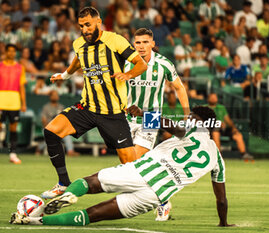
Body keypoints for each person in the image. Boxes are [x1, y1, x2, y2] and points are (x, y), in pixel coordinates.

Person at [10, 105, 234, 228]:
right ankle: (35, 220)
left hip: (142, 171)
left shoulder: (194, 128)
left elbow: (174, 127)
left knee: (90, 183)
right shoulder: (217, 158)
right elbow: (221, 199)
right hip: (155, 195)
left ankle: (68, 193)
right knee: (93, 215)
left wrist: (147, 115)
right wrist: (223, 223)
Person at [40, 7, 147, 199]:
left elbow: (141, 64)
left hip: (113, 113)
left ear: (98, 22)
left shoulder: (116, 41)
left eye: (88, 25)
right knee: (51, 131)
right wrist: (65, 75)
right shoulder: (79, 43)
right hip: (87, 107)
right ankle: (63, 183)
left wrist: (128, 74)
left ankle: (157, 197)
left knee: (131, 167)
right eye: (81, 26)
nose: (85, 30)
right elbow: (79, 60)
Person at [125, 28, 189, 159]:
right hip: (125, 117)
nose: (141, 46)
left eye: (145, 42)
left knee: (135, 159)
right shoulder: (125, 63)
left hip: (151, 117)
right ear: (133, 44)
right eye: (138, 43)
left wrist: (186, 114)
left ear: (152, 44)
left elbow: (179, 87)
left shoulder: (164, 64)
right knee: (128, 162)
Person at [0, 44, 26, 164]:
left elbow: (21, 87)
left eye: (13, 51)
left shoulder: (20, 68)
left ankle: (13, 154)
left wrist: (23, 103)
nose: (11, 53)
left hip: (14, 102)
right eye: (9, 51)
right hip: (1, 100)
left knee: (13, 129)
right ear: (5, 52)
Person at [207, 93, 253, 160]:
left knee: (238, 135)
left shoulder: (221, 108)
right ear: (208, 99)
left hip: (223, 129)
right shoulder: (204, 107)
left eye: (215, 97)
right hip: (211, 129)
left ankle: (244, 154)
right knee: (215, 133)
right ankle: (218, 156)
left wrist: (233, 128)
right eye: (212, 97)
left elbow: (228, 120)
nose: (214, 98)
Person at [37, 90, 79, 156]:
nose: (55, 97)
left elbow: (65, 119)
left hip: (59, 128)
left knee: (67, 135)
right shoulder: (46, 107)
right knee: (52, 137)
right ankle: (40, 147)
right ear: (50, 97)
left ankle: (70, 151)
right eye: (53, 95)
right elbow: (44, 120)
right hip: (49, 128)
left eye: (56, 95)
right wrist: (49, 128)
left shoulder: (61, 107)